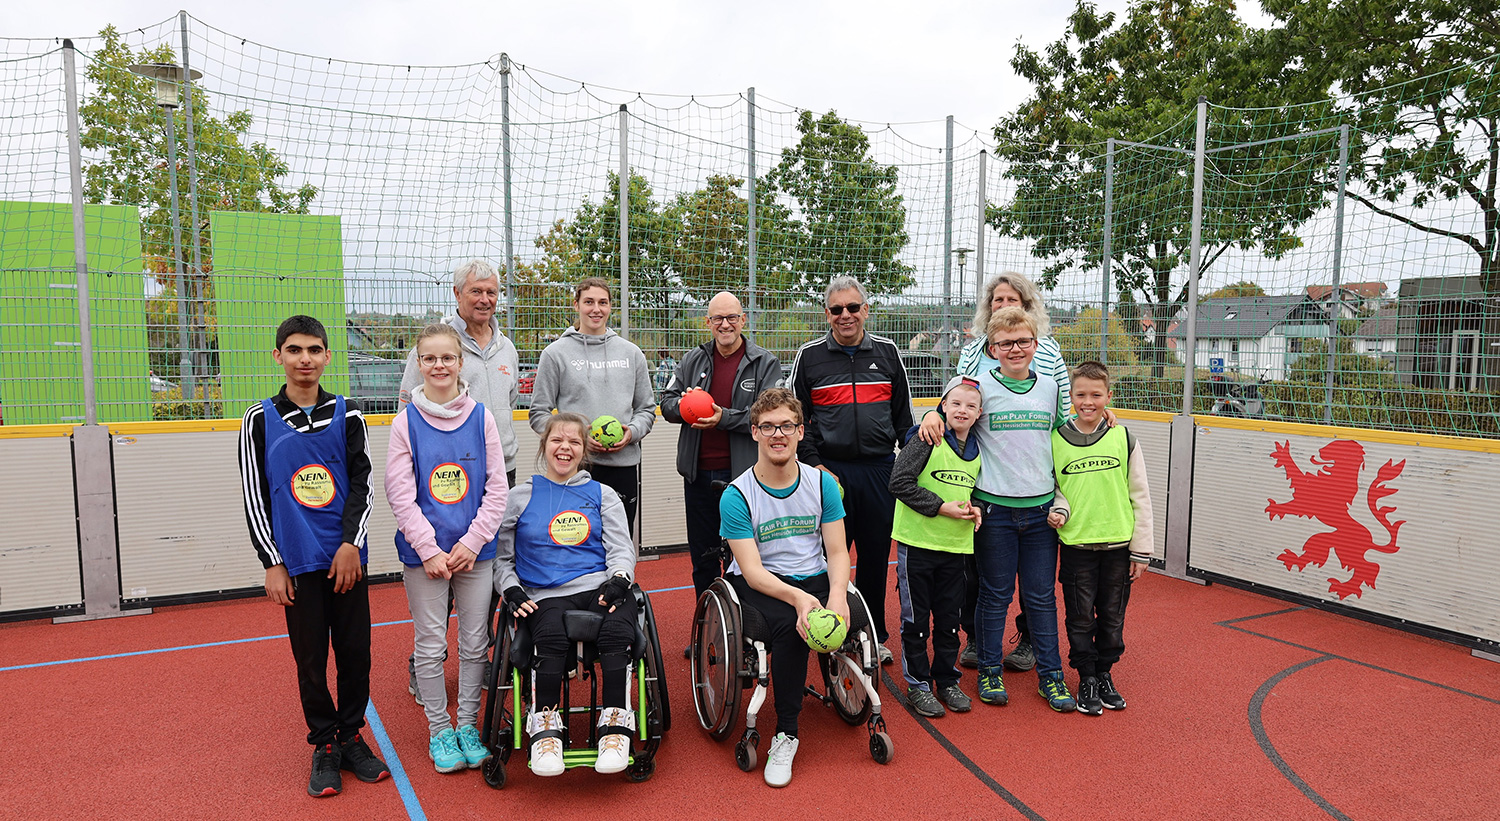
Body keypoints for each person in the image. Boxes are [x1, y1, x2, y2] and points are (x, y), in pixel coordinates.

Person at [237, 315, 389, 798]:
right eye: (295, 349)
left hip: (345, 561)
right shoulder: (258, 419)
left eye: (315, 350)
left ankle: (350, 737)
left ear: (327, 356)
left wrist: (350, 545)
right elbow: (255, 495)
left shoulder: (349, 415)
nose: (306, 358)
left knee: (355, 653)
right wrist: (271, 561)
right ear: (278, 355)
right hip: (297, 562)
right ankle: (323, 745)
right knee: (310, 658)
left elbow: (362, 487)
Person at [923, 307, 1076, 712]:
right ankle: (990, 669)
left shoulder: (1050, 388)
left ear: (1035, 345)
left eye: (1023, 341)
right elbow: (947, 413)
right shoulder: (980, 388)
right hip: (994, 510)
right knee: (994, 594)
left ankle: (1052, 676)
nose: (1015, 349)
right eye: (1006, 343)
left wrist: (1104, 420)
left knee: (1041, 596)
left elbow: (1066, 432)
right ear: (993, 347)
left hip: (1041, 511)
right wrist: (927, 414)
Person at [398, 260, 521, 706]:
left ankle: (480, 658)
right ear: (457, 294)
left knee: (483, 569)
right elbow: (408, 404)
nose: (485, 299)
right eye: (476, 292)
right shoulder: (438, 345)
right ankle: (424, 663)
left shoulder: (508, 348)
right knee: (440, 574)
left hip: (497, 473)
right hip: (442, 480)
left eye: (491, 291)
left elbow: (508, 406)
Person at [386, 323, 509, 772]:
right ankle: (440, 731)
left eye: (448, 358)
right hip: (426, 558)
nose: (439, 365)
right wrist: (430, 550)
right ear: (419, 365)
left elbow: (497, 489)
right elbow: (400, 494)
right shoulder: (405, 423)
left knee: (476, 645)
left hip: (476, 555)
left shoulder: (483, 418)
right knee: (431, 645)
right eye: (430, 358)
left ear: (461, 364)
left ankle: (468, 725)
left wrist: (472, 542)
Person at [494, 412, 639, 777]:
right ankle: (545, 731)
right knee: (551, 636)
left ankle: (616, 729)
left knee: (618, 628)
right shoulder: (520, 496)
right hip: (544, 592)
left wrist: (620, 578)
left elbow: (622, 548)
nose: (566, 447)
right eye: (558, 440)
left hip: (597, 585)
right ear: (545, 446)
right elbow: (501, 559)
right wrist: (509, 588)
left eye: (575, 441)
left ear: (583, 450)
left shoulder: (602, 494)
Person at [719, 388, 851, 787]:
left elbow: (839, 552)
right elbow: (753, 571)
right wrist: (799, 600)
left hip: (813, 573)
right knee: (792, 631)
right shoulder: (737, 494)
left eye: (787, 426)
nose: (779, 434)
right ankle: (787, 733)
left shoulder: (822, 483)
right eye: (769, 426)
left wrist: (839, 597)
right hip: (763, 584)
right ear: (755, 432)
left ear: (800, 431)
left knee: (848, 614)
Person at [949, 272, 1075, 672]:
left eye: (1014, 300)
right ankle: (987, 660)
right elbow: (957, 405)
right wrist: (934, 418)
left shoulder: (1050, 372)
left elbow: (1062, 421)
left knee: (1039, 593)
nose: (1006, 306)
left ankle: (1042, 661)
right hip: (992, 499)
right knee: (991, 588)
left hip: (1037, 503)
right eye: (998, 300)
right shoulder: (977, 368)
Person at [787, 276, 913, 663]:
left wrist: (908, 463)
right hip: (830, 473)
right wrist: (817, 467)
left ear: (866, 310)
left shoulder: (889, 354)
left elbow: (904, 421)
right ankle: (831, 633)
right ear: (827, 314)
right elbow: (797, 420)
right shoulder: (809, 357)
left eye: (853, 308)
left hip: (879, 471)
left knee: (875, 560)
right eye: (837, 309)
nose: (846, 315)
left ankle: (873, 634)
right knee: (828, 559)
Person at [660, 291, 783, 612]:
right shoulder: (692, 360)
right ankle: (708, 628)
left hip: (746, 478)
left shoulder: (764, 362)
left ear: (743, 320)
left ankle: (749, 624)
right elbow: (666, 403)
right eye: (718, 318)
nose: (725, 324)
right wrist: (686, 406)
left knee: (748, 558)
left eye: (731, 318)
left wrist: (722, 418)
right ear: (708, 322)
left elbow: (770, 415)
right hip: (698, 475)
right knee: (704, 558)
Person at [1046, 361, 1154, 715]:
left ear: (1109, 396)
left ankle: (1105, 672)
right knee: (1079, 617)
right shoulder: (1056, 441)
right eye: (1080, 395)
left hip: (1119, 549)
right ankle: (1087, 677)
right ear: (1071, 398)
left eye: (1096, 395)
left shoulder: (1124, 439)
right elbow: (1055, 489)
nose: (1088, 402)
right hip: (1077, 546)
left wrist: (1141, 550)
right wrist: (1059, 510)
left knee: (1112, 617)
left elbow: (1140, 495)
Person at [529, 277, 656, 539]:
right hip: (575, 466)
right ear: (576, 305)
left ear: (610, 307)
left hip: (622, 466)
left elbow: (646, 409)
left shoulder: (631, 353)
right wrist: (576, 438)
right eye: (588, 302)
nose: (596, 309)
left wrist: (630, 433)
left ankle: (622, 581)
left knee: (618, 539)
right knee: (575, 540)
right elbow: (538, 413)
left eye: (603, 302)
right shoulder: (555, 354)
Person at [888, 376, 983, 718]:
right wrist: (941, 506)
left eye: (970, 405)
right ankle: (918, 684)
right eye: (955, 403)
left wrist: (976, 510)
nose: (962, 410)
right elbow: (898, 482)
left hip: (955, 547)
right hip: (918, 545)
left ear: (979, 413)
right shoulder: (928, 438)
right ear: (942, 406)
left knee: (949, 621)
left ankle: (947, 679)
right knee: (916, 620)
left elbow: (975, 493)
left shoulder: (977, 450)